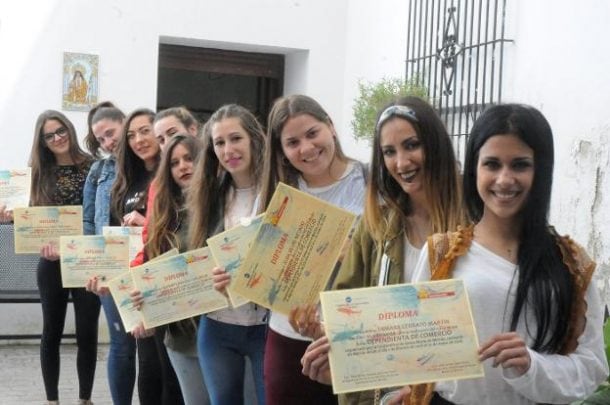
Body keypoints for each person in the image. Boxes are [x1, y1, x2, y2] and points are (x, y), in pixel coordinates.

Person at [405, 104, 609, 404]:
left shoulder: (570, 264)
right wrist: (349, 357)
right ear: (474, 168)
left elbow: (591, 367)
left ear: (541, 170)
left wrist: (531, 364)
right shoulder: (441, 254)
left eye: (520, 165)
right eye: (492, 164)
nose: (504, 179)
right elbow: (412, 345)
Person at [299, 96, 464, 405]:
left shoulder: (474, 222)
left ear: (435, 144)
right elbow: (348, 311)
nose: (401, 163)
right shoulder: (376, 226)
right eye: (389, 152)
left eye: (412, 145)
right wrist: (329, 344)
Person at [258, 94, 368, 405]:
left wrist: (353, 251)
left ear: (331, 127)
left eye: (312, 133)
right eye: (292, 142)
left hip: (352, 336)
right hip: (288, 336)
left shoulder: (370, 180)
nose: (306, 148)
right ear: (281, 151)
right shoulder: (279, 191)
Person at [188, 104, 268, 405]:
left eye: (236, 138)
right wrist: (209, 276)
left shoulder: (279, 192)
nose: (228, 149)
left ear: (253, 140)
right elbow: (196, 259)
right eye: (219, 142)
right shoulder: (208, 195)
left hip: (266, 326)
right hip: (218, 324)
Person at [130, 134, 210, 405]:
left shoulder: (218, 208)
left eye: (189, 158)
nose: (183, 167)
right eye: (175, 163)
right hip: (178, 332)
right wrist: (143, 309)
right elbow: (150, 267)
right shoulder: (165, 214)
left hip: (218, 328)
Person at [29, 110, 100, 405]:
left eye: (61, 131)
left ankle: (85, 399)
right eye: (49, 135)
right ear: (42, 141)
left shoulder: (94, 166)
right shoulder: (37, 172)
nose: (57, 138)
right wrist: (10, 216)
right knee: (51, 333)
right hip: (51, 262)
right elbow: (30, 218)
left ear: (70, 130)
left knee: (87, 333)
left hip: (87, 260)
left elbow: (101, 211)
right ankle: (52, 400)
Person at [83, 105, 137, 405]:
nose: (107, 142)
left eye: (110, 133)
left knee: (153, 350)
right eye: (100, 138)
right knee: (121, 344)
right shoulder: (99, 170)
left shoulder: (149, 162)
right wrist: (93, 263)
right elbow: (89, 221)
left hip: (146, 262)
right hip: (112, 266)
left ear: (124, 124)